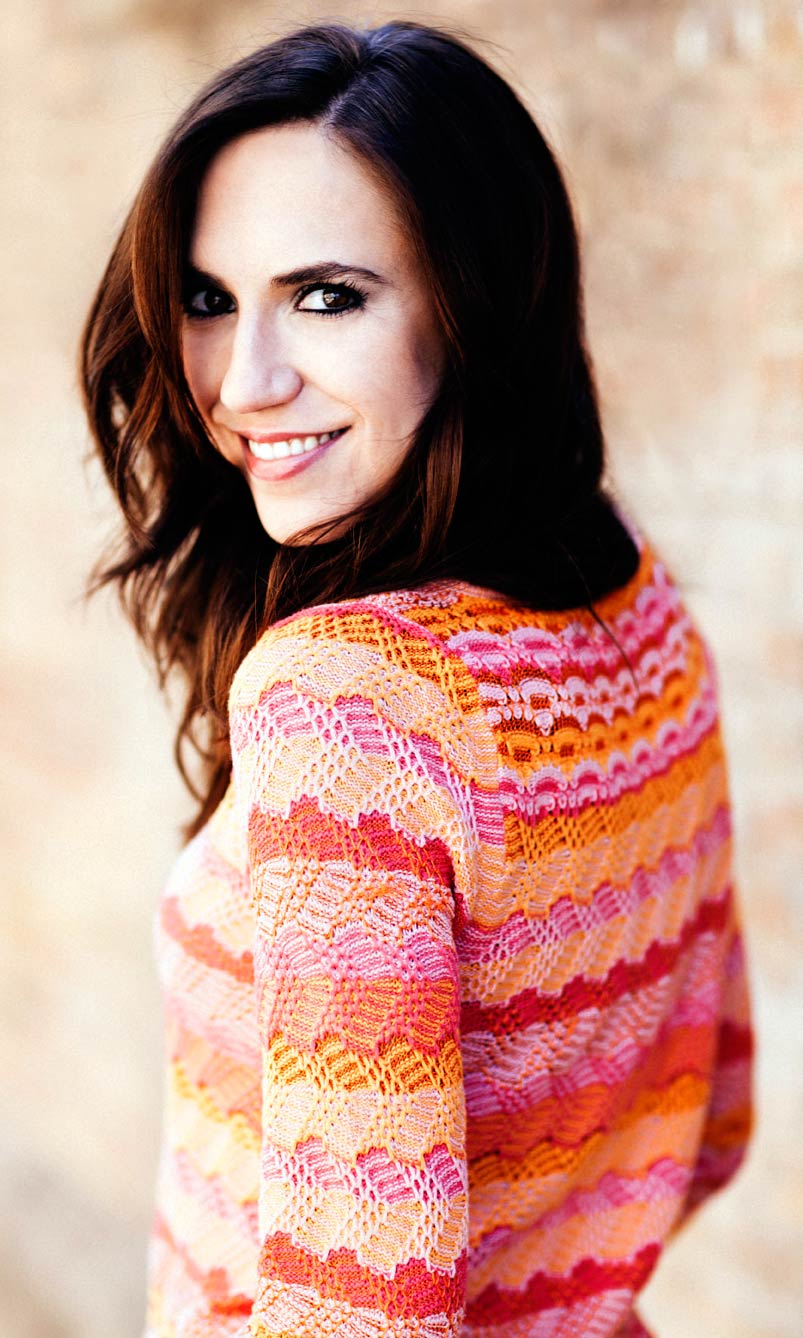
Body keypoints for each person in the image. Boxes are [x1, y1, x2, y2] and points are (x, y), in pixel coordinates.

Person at [80, 20, 753, 1337]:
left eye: (328, 296)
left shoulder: (349, 708)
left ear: (471, 301)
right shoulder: (636, 605)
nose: (244, 384)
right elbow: (712, 1114)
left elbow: (358, 1316)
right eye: (210, 299)